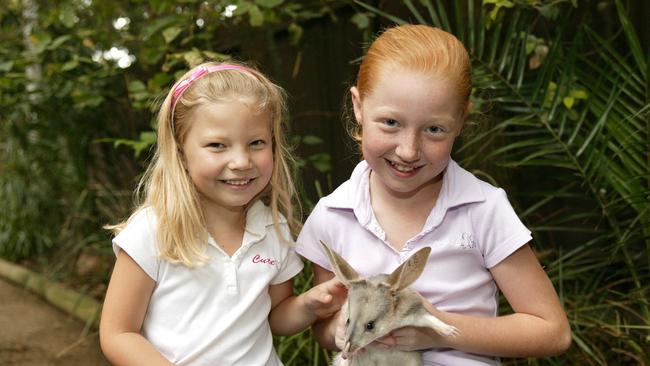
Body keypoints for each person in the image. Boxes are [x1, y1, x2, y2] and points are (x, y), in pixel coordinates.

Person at [296, 24, 572, 365]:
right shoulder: (333, 215)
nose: (409, 150)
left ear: (461, 121)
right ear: (358, 106)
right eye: (391, 123)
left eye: (434, 129)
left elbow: (552, 331)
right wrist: (340, 329)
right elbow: (324, 327)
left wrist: (436, 328)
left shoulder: (483, 209)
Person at [99, 61, 345, 366]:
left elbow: (275, 318)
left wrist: (308, 305)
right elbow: (118, 333)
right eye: (217, 145)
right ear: (181, 153)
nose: (241, 161)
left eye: (256, 143)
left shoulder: (273, 227)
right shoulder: (154, 230)